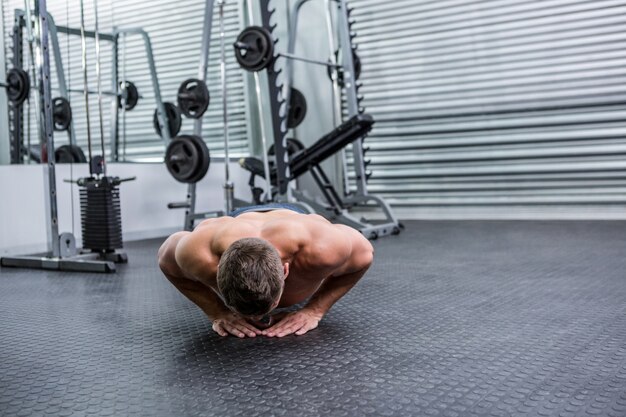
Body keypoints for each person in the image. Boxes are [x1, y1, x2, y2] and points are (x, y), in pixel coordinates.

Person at [157, 203, 374, 338]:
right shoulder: (199, 253)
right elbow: (164, 260)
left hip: (291, 216)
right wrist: (217, 312)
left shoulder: (322, 248)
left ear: (285, 270)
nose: (263, 318)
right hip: (235, 221)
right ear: (217, 269)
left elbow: (366, 254)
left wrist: (315, 310)